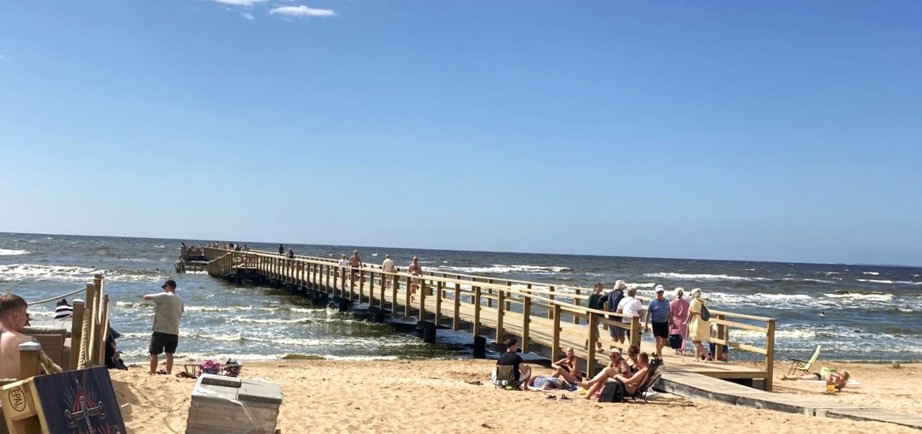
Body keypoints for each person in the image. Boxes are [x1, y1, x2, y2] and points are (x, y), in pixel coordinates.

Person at [143, 279, 184, 375]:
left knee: (154, 353)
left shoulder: (165, 296)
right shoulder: (180, 299)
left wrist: (160, 295)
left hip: (161, 330)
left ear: (168, 286)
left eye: (165, 287)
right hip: (174, 331)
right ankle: (169, 373)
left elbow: (146, 297)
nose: (164, 289)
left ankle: (153, 372)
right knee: (169, 354)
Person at [0, 294, 34, 379]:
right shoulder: (28, 343)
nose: (26, 319)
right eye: (26, 314)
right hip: (12, 391)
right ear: (16, 315)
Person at [644, 285, 671, 359]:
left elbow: (669, 311)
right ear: (656, 293)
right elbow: (648, 313)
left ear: (663, 292)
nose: (660, 293)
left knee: (664, 340)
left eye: (661, 292)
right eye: (658, 292)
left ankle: (657, 352)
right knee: (658, 339)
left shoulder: (667, 301)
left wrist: (672, 321)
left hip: (664, 323)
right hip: (656, 323)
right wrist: (646, 324)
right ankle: (660, 357)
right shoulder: (653, 302)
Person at [685, 288, 709, 362]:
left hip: (696, 321)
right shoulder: (701, 302)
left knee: (695, 341)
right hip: (702, 321)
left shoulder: (693, 302)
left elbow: (690, 313)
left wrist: (686, 321)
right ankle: (697, 358)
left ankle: (707, 355)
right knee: (698, 341)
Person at [599, 281, 626, 345]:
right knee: (621, 338)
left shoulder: (610, 293)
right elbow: (620, 304)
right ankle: (619, 353)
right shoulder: (620, 294)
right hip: (618, 318)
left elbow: (601, 299)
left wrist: (601, 309)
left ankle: (613, 352)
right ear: (622, 287)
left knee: (614, 337)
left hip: (610, 316)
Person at [781, 369, 851, 391]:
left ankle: (788, 377)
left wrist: (837, 387)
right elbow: (830, 389)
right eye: (842, 376)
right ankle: (786, 377)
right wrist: (828, 380)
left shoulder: (843, 382)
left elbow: (838, 388)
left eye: (843, 377)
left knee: (802, 377)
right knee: (801, 378)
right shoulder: (836, 377)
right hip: (818, 376)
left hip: (819, 377)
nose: (842, 378)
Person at [584, 283, 605, 352]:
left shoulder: (601, 297)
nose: (600, 289)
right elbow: (588, 306)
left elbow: (601, 308)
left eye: (601, 287)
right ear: (595, 288)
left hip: (598, 316)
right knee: (596, 332)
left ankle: (586, 344)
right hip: (591, 316)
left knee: (592, 332)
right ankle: (599, 347)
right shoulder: (592, 296)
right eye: (598, 287)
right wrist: (587, 316)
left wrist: (603, 317)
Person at [669, 287, 689, 355]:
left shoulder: (672, 303)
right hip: (684, 321)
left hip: (675, 320)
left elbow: (670, 313)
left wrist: (670, 321)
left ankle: (677, 350)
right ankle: (682, 349)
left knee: (676, 336)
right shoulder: (686, 303)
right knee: (683, 337)